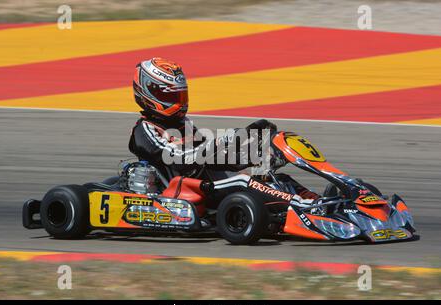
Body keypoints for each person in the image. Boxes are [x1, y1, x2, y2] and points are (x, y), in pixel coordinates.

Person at [128, 57, 318, 200]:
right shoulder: (144, 130)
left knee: (269, 176)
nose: (179, 103)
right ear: (148, 92)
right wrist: (222, 141)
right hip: (181, 192)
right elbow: (177, 159)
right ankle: (296, 206)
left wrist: (256, 157)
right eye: (172, 96)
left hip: (207, 183)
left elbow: (211, 160)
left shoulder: (183, 125)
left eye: (180, 96)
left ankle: (314, 202)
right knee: (244, 183)